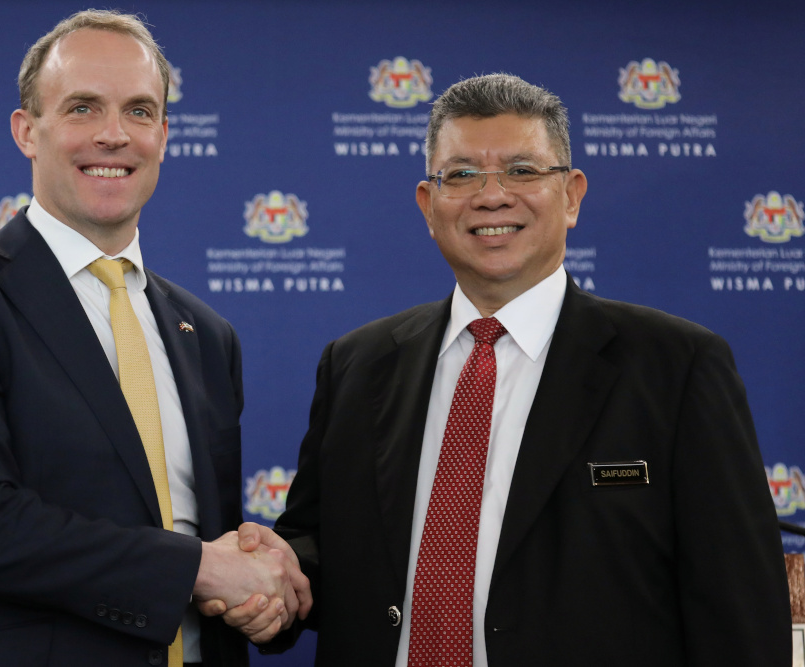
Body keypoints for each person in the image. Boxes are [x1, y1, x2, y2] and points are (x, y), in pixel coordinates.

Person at [243, 74, 791, 665]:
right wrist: (267, 582)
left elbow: (738, 608)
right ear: (429, 206)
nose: (492, 195)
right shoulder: (356, 364)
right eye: (461, 175)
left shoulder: (678, 366)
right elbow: (320, 551)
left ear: (572, 195)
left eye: (523, 171)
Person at [0, 10, 308, 667]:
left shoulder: (207, 335)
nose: (113, 135)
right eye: (82, 107)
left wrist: (267, 595)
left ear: (163, 134)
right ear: (27, 131)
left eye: (138, 110)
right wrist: (199, 568)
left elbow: (208, 543)